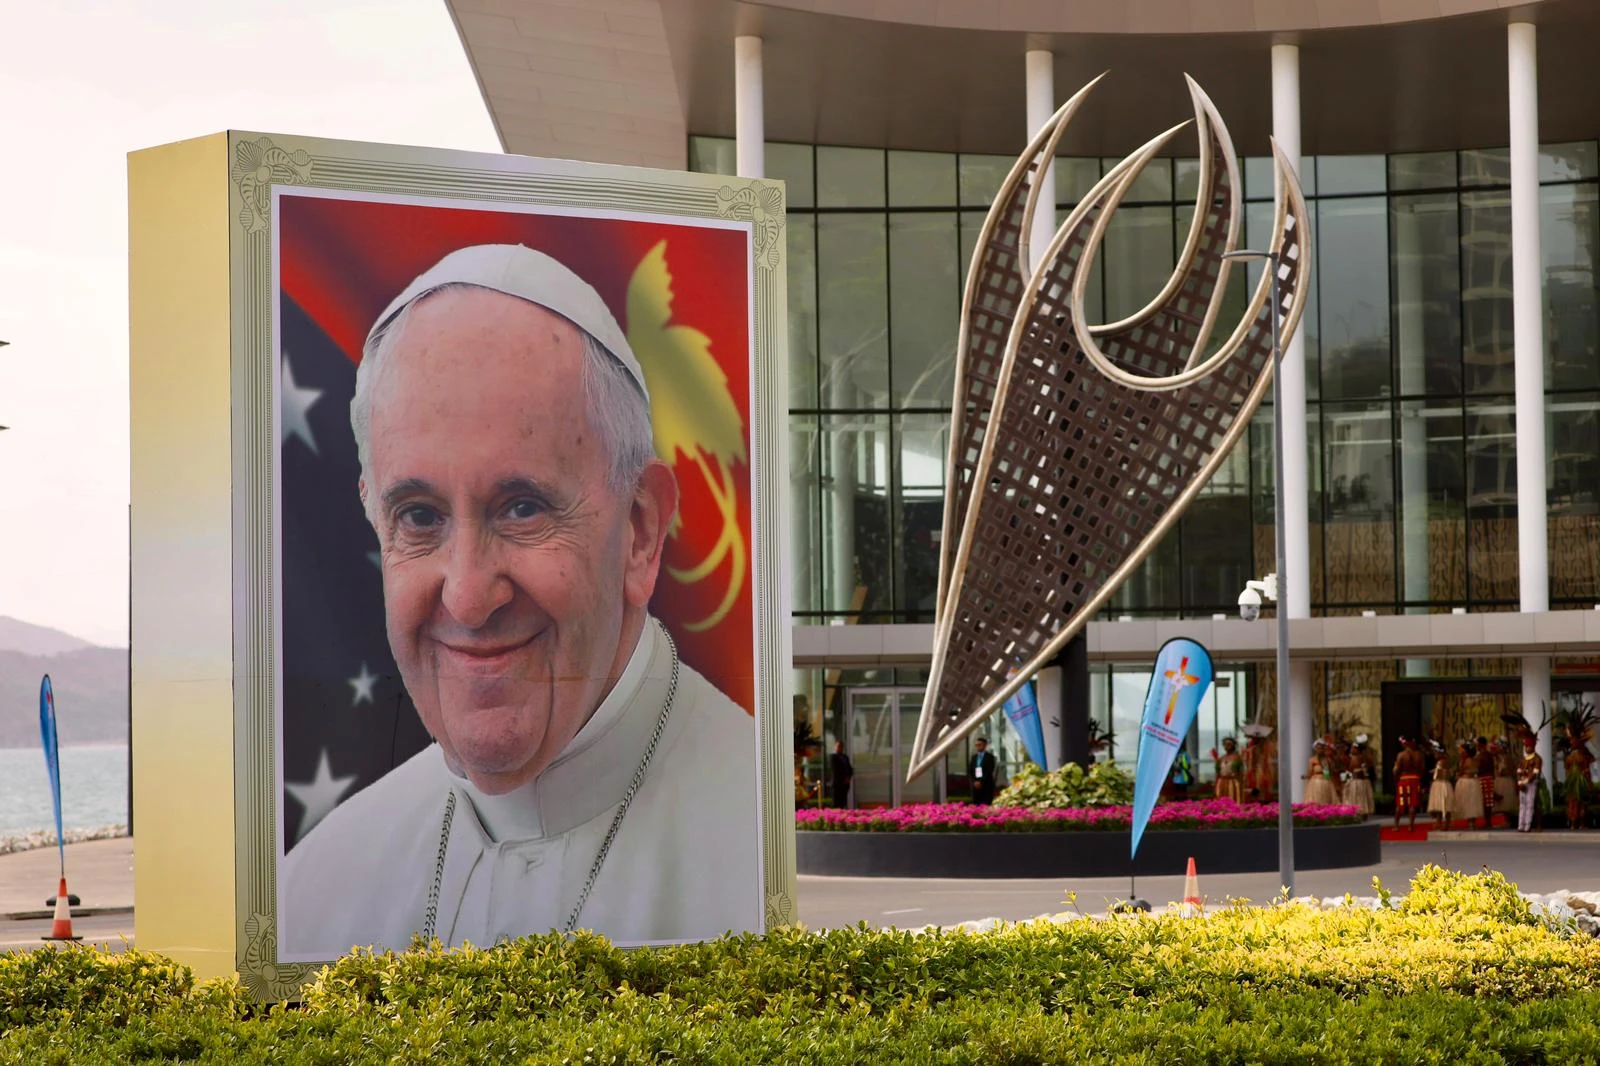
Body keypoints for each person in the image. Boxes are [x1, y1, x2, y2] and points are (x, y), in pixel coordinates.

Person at [281, 244, 762, 958]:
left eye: (523, 508)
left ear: (639, 531)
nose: (469, 597)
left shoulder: (777, 859)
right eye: (418, 516)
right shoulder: (314, 891)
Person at [1392, 736, 1425, 831]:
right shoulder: (1419, 755)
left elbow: (1396, 770)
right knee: (1413, 803)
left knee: (1400, 803)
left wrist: (1395, 776)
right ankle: (1411, 825)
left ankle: (1396, 825)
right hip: (1415, 780)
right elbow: (1422, 770)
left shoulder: (1401, 755)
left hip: (1404, 780)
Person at [1516, 731, 1544, 833]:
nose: (1527, 748)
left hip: (1532, 784)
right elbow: (1518, 771)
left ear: (1533, 746)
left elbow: (1535, 772)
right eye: (1526, 746)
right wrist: (1519, 782)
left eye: (1529, 746)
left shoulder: (1537, 759)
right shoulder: (1523, 759)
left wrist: (1525, 782)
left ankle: (1528, 825)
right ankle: (1520, 825)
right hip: (1523, 783)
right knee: (1522, 805)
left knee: (1530, 804)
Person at [1452, 740, 1483, 828]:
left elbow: (1462, 771)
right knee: (1469, 801)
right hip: (1468, 782)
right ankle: (1471, 821)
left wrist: (1459, 772)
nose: (1460, 753)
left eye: (1462, 751)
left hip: (1468, 782)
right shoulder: (1467, 760)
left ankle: (1471, 821)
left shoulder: (1468, 761)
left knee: (1470, 801)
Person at [1342, 737, 1375, 817]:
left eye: (1353, 748)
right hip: (1353, 781)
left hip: (1360, 782)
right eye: (1352, 747)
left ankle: (1362, 812)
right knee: (1352, 797)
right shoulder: (1349, 758)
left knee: (1361, 798)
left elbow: (1368, 766)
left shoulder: (1363, 758)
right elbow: (1346, 769)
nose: (1351, 749)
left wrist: (1361, 770)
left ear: (1357, 749)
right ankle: (1353, 812)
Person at [1426, 741, 1455, 828]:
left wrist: (1433, 772)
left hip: (1441, 784)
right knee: (1440, 804)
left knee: (1443, 804)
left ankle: (1446, 823)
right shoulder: (1445, 761)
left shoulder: (1441, 762)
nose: (1434, 754)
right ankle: (1441, 822)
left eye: (1435, 752)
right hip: (1445, 784)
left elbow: (1437, 775)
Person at [1211, 737, 1244, 805]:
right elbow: (1218, 772)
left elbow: (1241, 772)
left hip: (1233, 782)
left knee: (1233, 800)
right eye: (1225, 744)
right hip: (1221, 782)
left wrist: (1240, 783)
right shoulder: (1221, 758)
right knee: (1221, 801)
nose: (1226, 746)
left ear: (1233, 745)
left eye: (1229, 744)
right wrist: (1216, 783)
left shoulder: (1237, 758)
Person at [1475, 735, 1497, 826]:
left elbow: (1488, 767)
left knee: (1487, 801)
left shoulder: (1486, 755)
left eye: (1478, 744)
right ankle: (1486, 820)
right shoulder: (1479, 754)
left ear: (1482, 744)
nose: (1477, 746)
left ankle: (1488, 821)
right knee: (1482, 801)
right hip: (1480, 778)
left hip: (1486, 778)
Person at [969, 737, 999, 805]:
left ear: (985, 745)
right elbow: (971, 771)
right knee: (976, 804)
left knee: (986, 804)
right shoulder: (974, 757)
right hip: (975, 786)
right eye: (976, 745)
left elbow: (989, 771)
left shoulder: (990, 757)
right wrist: (975, 781)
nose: (978, 746)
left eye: (980, 744)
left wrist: (981, 781)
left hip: (986, 785)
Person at [829, 740, 853, 809]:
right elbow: (836, 770)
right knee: (836, 802)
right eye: (838, 746)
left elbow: (849, 768)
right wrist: (843, 778)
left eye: (841, 746)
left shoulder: (845, 757)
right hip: (837, 783)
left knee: (843, 802)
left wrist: (848, 777)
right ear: (835, 747)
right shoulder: (833, 757)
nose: (839, 748)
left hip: (845, 784)